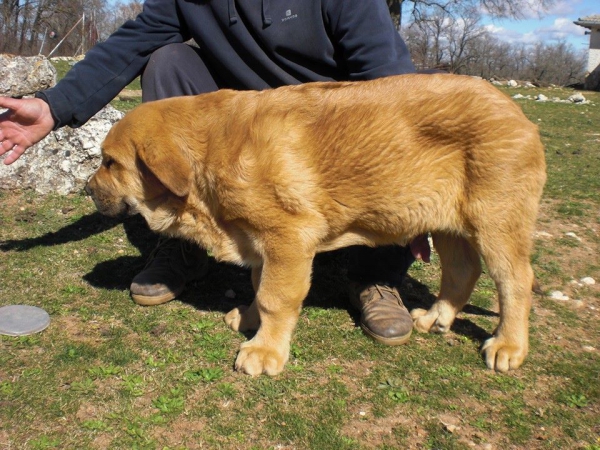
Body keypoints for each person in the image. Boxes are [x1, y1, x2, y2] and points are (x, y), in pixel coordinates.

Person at [0, 0, 428, 346]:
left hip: (322, 120)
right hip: (241, 115)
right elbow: (131, 42)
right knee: (168, 60)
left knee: (377, 115)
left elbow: (387, 78)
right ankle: (185, 241)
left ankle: (378, 271)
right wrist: (54, 106)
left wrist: (410, 188)